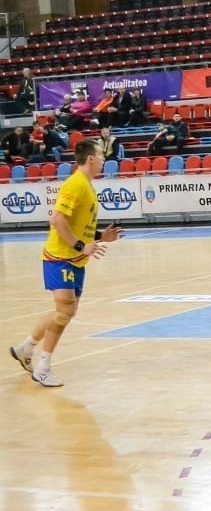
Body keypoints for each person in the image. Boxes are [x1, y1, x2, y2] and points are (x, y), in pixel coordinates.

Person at [9, 140, 123, 387]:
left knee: (64, 314)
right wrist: (82, 246)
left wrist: (100, 237)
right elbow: (57, 220)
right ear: (90, 158)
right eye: (101, 155)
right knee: (65, 313)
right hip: (59, 257)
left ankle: (26, 349)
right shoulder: (76, 184)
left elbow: (77, 225)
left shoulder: (88, 186)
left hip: (75, 260)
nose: (103, 159)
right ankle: (42, 367)